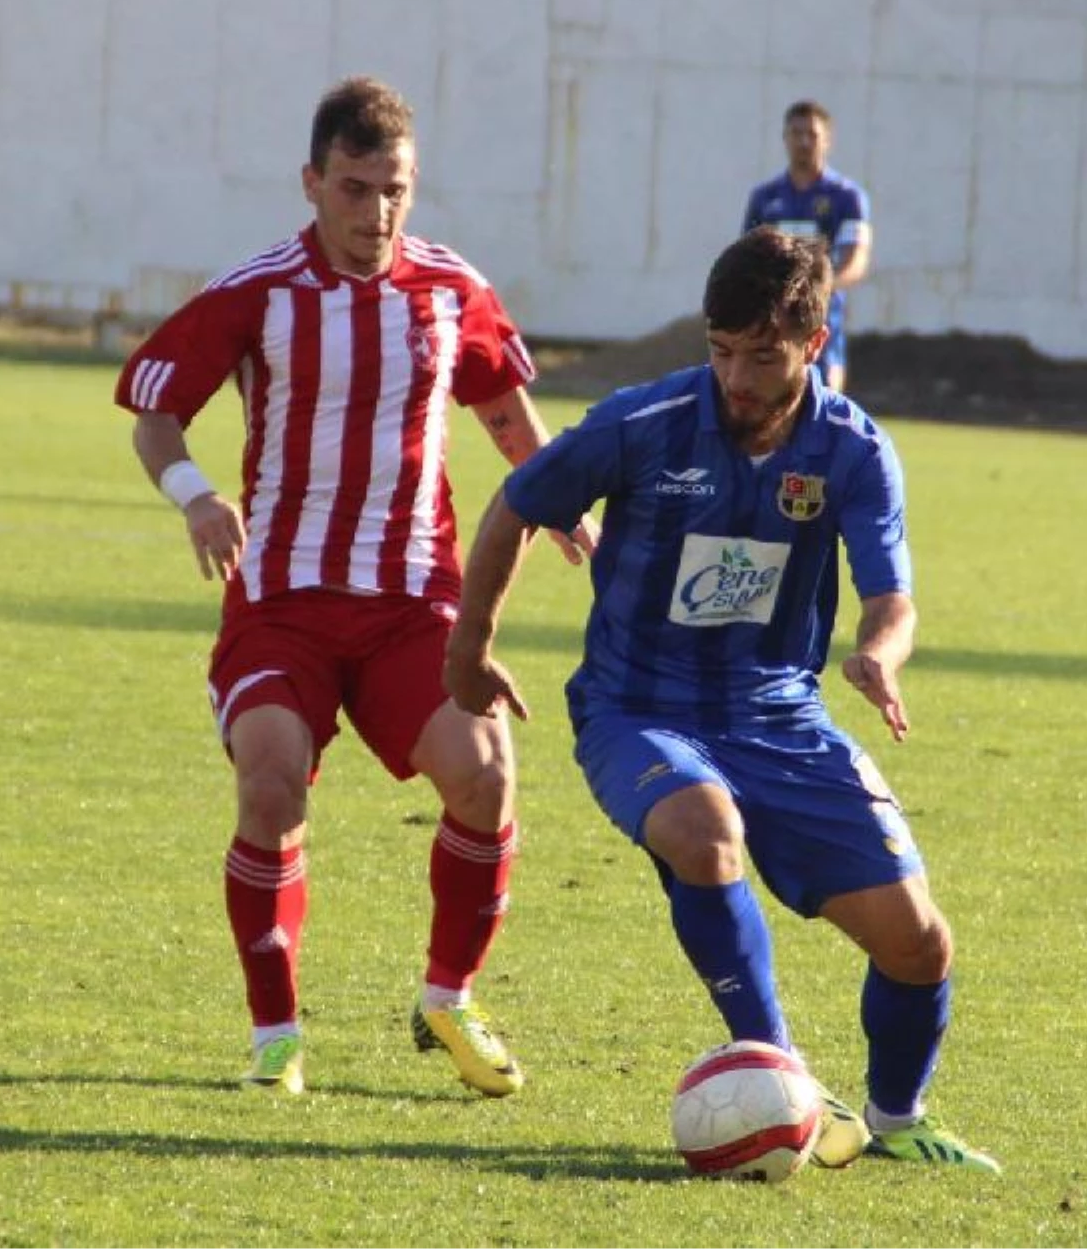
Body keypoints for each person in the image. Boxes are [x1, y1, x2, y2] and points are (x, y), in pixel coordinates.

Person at [444, 227, 1000, 1173]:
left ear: (813, 344)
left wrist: (878, 653)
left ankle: (898, 1118)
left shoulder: (852, 451)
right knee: (705, 836)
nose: (736, 376)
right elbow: (518, 505)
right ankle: (785, 1075)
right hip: (638, 708)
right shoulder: (643, 422)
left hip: (780, 716)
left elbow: (892, 597)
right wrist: (470, 646)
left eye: (763, 355)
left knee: (920, 945)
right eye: (721, 349)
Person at [115, 75, 596, 1099]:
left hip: (413, 601)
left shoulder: (450, 287)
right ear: (312, 183)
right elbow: (155, 414)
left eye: (396, 189)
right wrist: (197, 496)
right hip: (281, 601)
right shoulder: (256, 291)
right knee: (271, 782)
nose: (377, 212)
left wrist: (561, 495)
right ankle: (277, 1035)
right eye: (355, 188)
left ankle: (449, 998)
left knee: (486, 772)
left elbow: (504, 407)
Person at [741, 100, 871, 395]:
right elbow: (746, 259)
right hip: (771, 319)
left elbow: (856, 259)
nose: (803, 141)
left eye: (811, 134)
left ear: (827, 140)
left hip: (819, 317)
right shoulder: (764, 198)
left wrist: (819, 287)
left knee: (821, 398)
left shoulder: (846, 197)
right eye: (795, 133)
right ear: (784, 138)